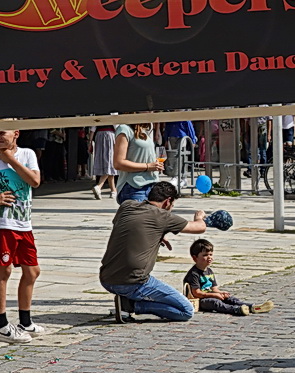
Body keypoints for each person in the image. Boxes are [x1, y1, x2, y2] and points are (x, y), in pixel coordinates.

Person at [99, 180, 207, 321]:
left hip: (107, 278)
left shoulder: (127, 206)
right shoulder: (163, 216)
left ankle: (126, 302)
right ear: (168, 201)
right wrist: (199, 218)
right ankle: (133, 305)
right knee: (186, 311)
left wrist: (157, 234)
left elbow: (129, 226)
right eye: (172, 205)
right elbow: (199, 227)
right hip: (134, 282)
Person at [0, 130, 44, 343]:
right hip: (3, 224)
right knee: (3, 270)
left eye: (2, 133)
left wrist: (10, 160)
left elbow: (35, 181)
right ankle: (0, 324)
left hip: (24, 223)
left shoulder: (27, 154)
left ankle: (25, 320)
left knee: (32, 271)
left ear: (16, 134)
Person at [183, 239, 272, 315]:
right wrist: (215, 295)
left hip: (210, 295)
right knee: (215, 303)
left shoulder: (209, 271)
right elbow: (197, 293)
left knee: (230, 299)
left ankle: (251, 307)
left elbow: (214, 288)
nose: (209, 257)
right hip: (200, 301)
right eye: (205, 255)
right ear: (195, 258)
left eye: (211, 254)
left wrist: (221, 293)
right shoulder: (194, 273)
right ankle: (236, 310)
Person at [112, 122, 165, 203]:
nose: (151, 112)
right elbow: (118, 163)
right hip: (134, 187)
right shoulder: (124, 129)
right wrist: (148, 166)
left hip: (151, 186)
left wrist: (154, 163)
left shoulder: (144, 130)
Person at [89, 125, 118, 199]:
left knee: (106, 162)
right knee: (110, 161)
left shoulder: (97, 113)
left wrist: (90, 142)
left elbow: (93, 128)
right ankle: (99, 186)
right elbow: (116, 126)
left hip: (99, 136)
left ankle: (113, 191)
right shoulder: (112, 113)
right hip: (109, 135)